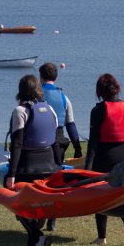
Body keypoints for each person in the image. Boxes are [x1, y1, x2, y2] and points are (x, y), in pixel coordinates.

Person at [6, 75, 62, 246]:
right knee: (38, 211)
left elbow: (17, 144)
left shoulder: (20, 111)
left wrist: (11, 174)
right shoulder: (50, 110)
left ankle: (38, 237)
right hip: (50, 166)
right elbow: (56, 142)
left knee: (20, 209)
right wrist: (59, 168)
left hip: (28, 168)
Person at [84, 73, 124, 246]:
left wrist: (87, 169)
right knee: (123, 194)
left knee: (101, 196)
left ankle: (102, 238)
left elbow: (93, 143)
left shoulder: (98, 110)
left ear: (100, 91)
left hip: (105, 158)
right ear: (116, 89)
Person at [39, 62, 83, 231]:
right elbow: (70, 125)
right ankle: (52, 220)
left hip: (40, 142)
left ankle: (39, 215)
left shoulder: (37, 95)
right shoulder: (65, 98)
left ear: (41, 77)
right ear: (56, 77)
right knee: (55, 181)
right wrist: (78, 148)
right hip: (58, 143)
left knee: (39, 179)